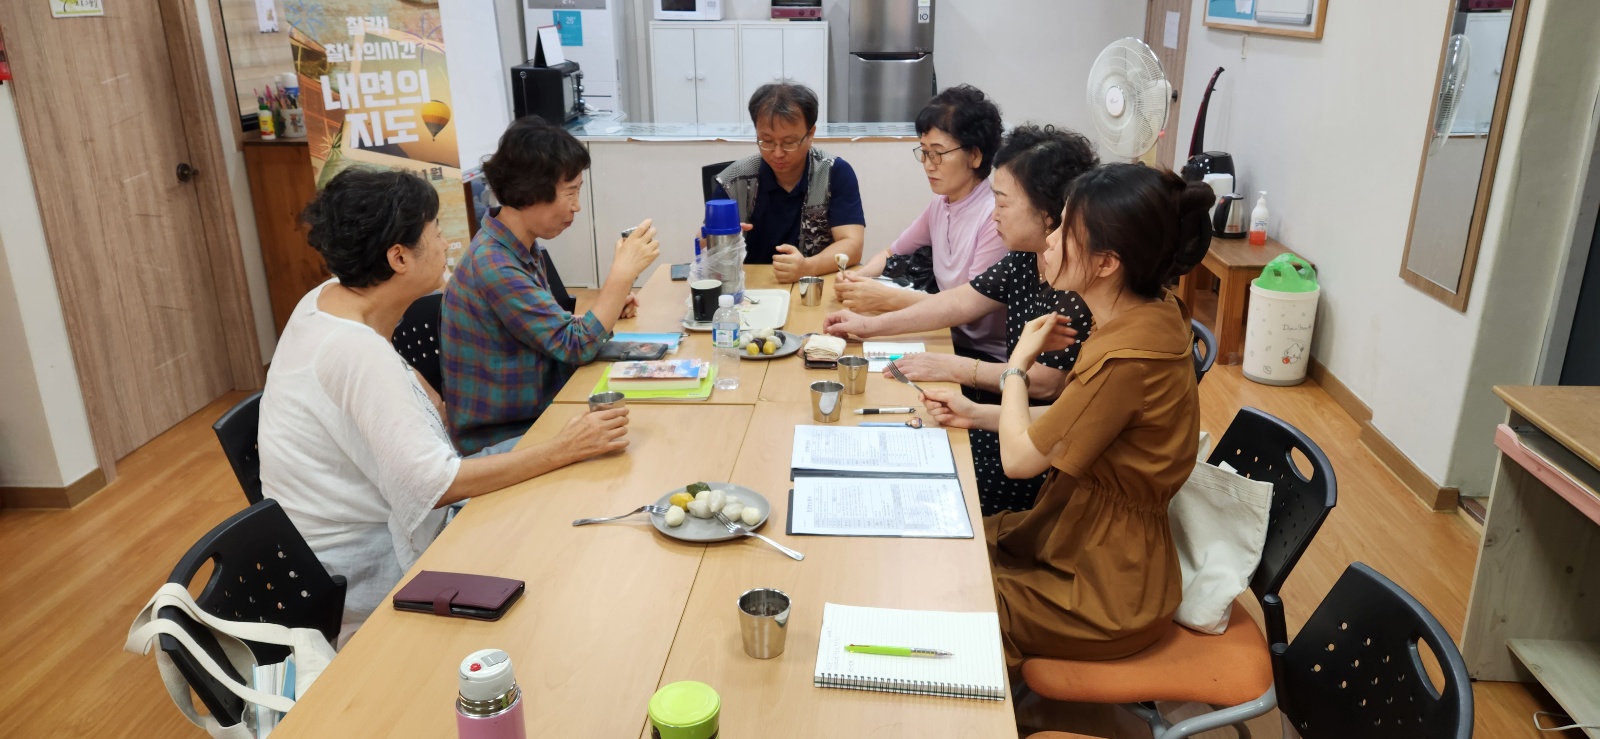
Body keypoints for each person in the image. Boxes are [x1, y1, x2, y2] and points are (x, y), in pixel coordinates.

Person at [259, 167, 632, 639]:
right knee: (568, 498)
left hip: (334, 540)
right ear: (398, 257)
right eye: (436, 233)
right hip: (366, 576)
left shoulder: (325, 300)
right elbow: (435, 487)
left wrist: (424, 395)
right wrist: (562, 450)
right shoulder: (353, 351)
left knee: (573, 475)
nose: (447, 243)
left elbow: (379, 373)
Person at [920, 163, 1214, 678]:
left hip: (1105, 586)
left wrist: (1017, 365)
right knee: (944, 550)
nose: (1049, 240)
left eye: (1064, 231)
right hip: (1080, 535)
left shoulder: (1127, 357)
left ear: (1106, 263)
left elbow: (1019, 461)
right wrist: (978, 413)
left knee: (954, 599)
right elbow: (1079, 421)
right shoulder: (1151, 312)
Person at [824, 125, 1099, 515]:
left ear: (1048, 213)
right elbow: (957, 302)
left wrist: (953, 367)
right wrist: (868, 327)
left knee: (926, 471)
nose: (994, 214)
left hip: (1042, 444)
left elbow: (1047, 382)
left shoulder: (1074, 283)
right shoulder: (1025, 258)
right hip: (1013, 413)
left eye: (1002, 203)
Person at [442, 115, 660, 455]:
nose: (577, 205)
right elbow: (575, 346)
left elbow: (551, 333)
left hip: (542, 412)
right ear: (531, 190)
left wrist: (609, 305)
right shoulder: (494, 263)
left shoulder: (518, 247)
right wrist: (620, 278)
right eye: (570, 191)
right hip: (505, 438)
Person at [834, 85, 1009, 361]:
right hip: (943, 334)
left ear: (975, 155)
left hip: (979, 354)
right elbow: (891, 252)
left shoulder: (994, 217)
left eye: (938, 152)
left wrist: (886, 298)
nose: (928, 164)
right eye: (924, 152)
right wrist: (860, 278)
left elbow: (968, 310)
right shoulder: (941, 204)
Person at [711, 83, 864, 283]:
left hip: (814, 284)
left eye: (789, 142)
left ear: (810, 134)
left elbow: (852, 245)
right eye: (767, 141)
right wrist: (716, 237)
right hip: (751, 287)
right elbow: (706, 247)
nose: (777, 153)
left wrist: (808, 267)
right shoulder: (733, 180)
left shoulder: (833, 173)